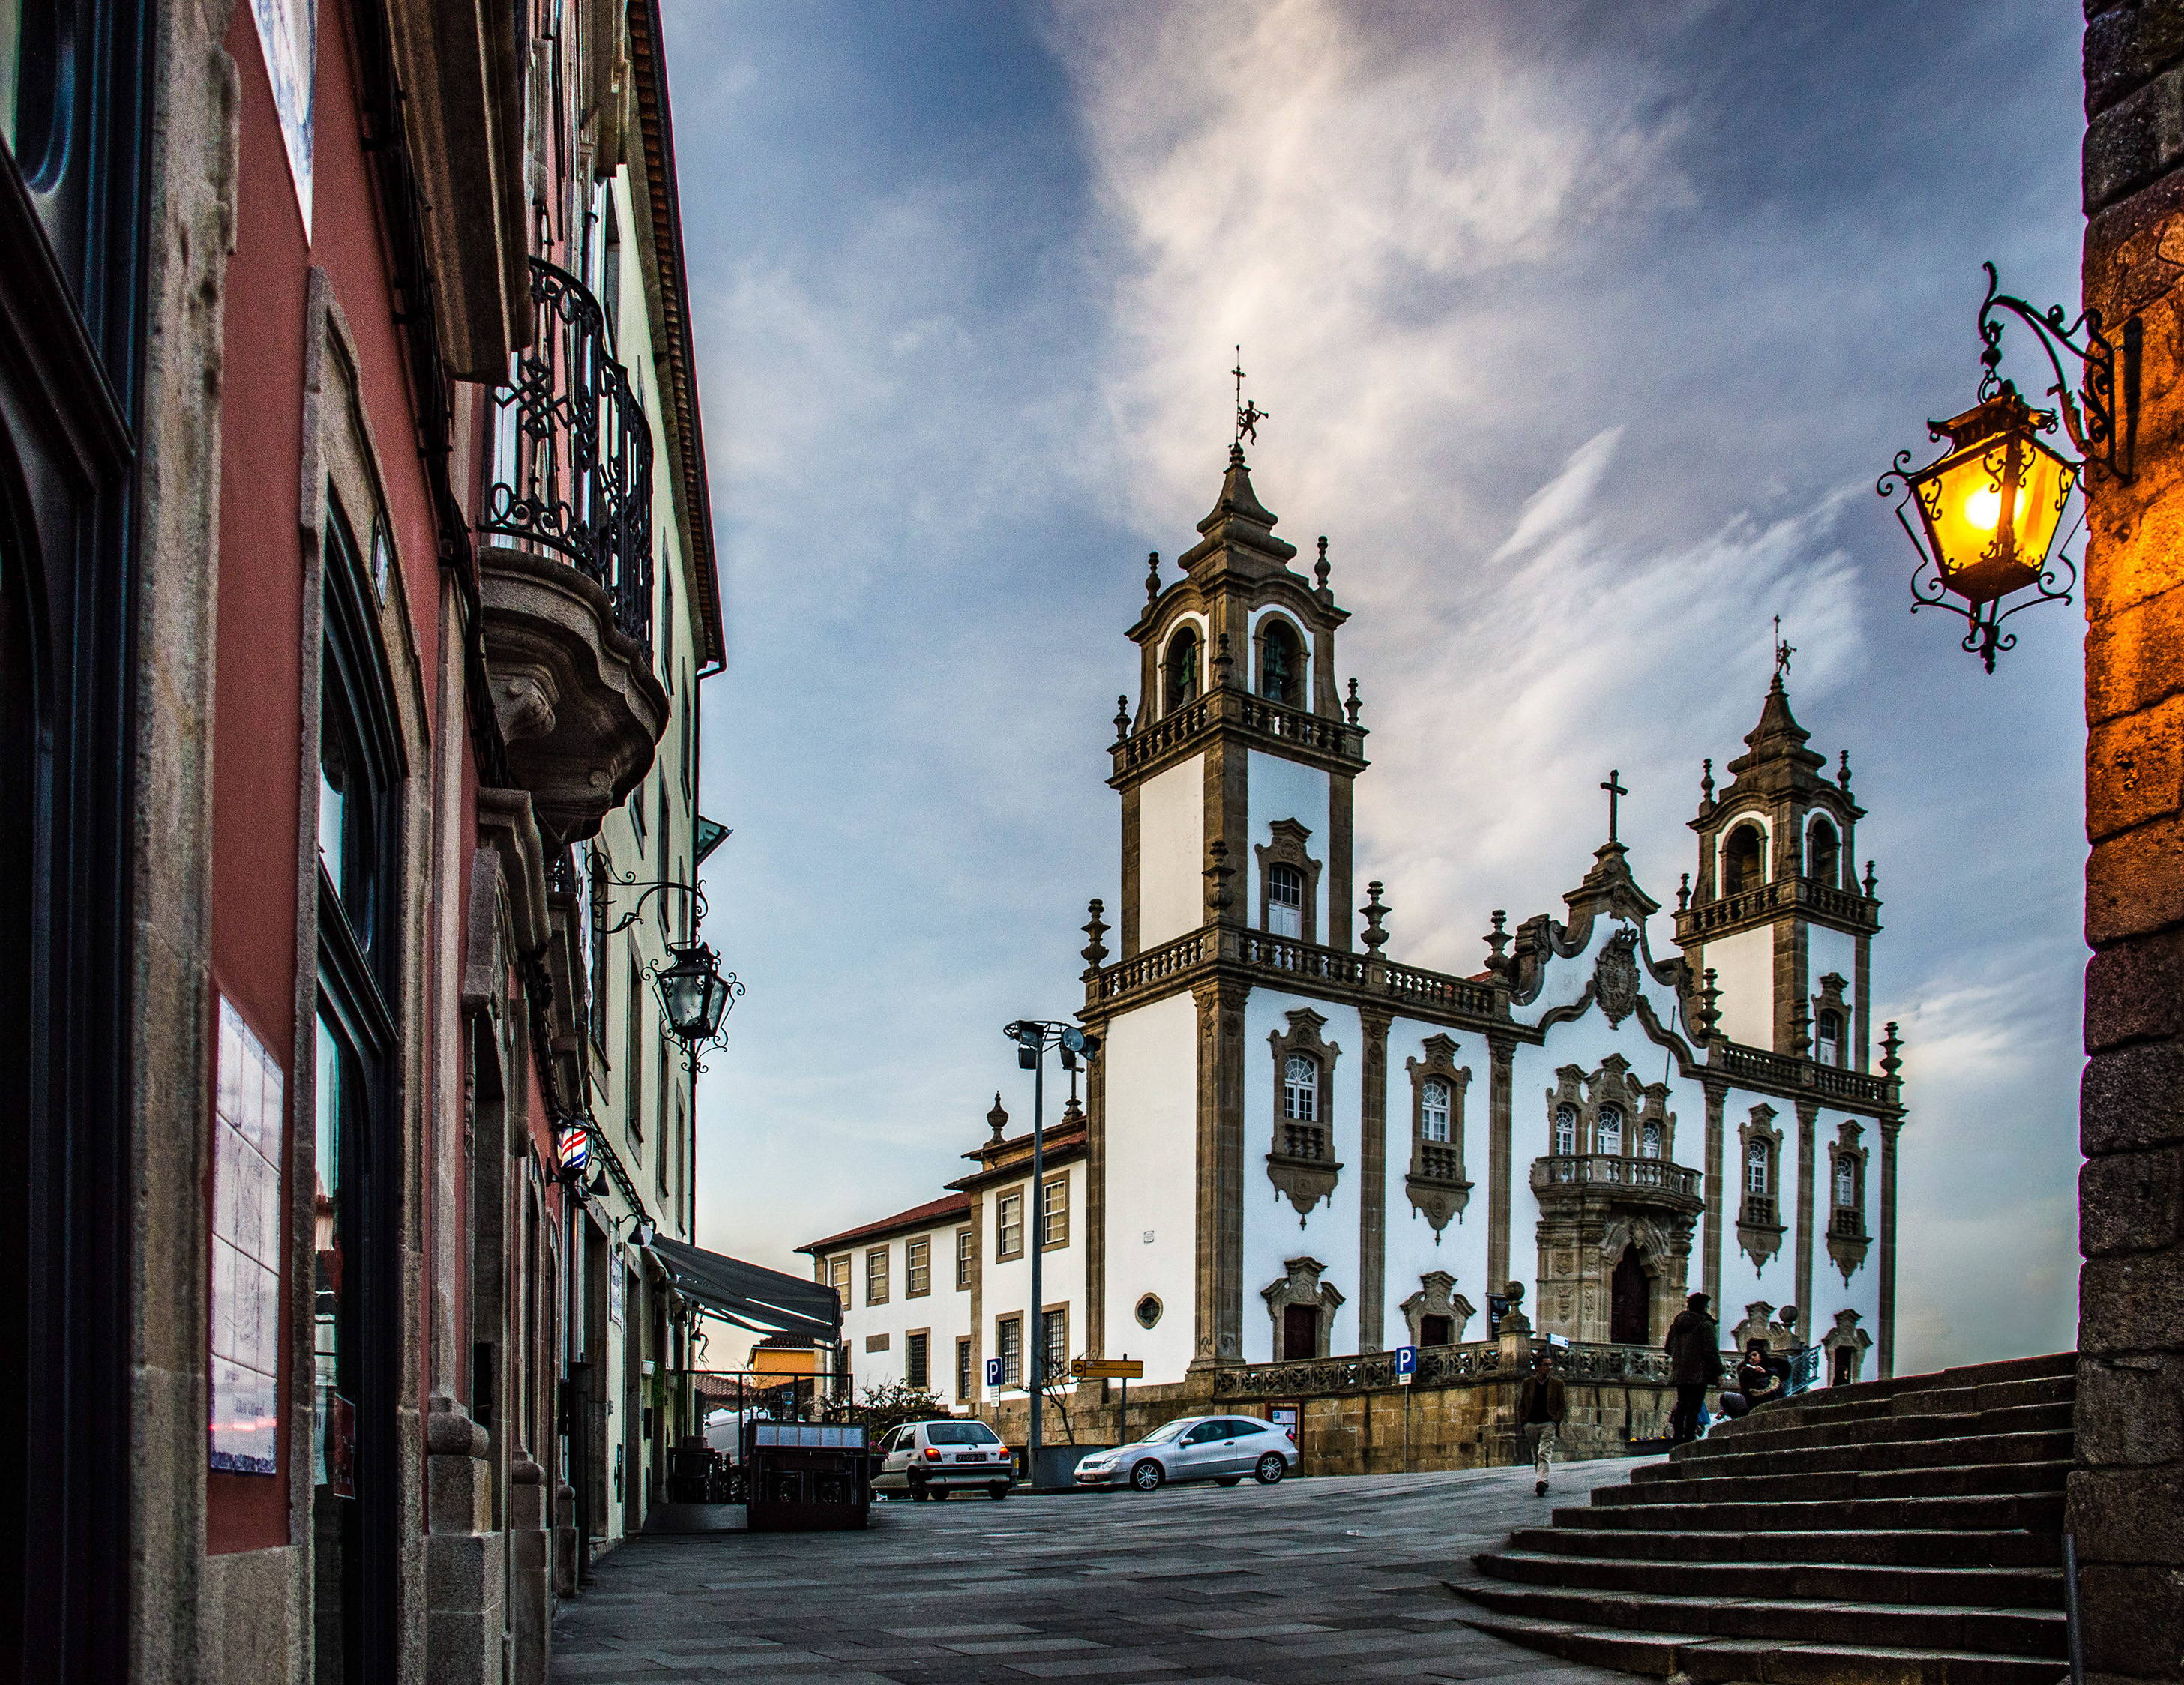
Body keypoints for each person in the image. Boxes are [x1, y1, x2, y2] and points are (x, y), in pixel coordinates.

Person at [1664, 1291, 1721, 1444]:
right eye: (1707, 1306)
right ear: (1703, 1307)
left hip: (1681, 1372)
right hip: (1699, 1373)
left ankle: (1677, 1438)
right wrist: (1719, 1371)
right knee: (1694, 1407)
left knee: (1682, 1405)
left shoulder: (1676, 1326)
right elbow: (1711, 1350)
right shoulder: (1705, 1324)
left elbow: (1668, 1349)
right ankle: (1689, 1438)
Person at [1516, 1346, 1567, 1497]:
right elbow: (1522, 1405)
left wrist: (1555, 1421)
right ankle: (1542, 1478)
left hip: (1548, 1424)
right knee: (1536, 1454)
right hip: (1531, 1424)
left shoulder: (1557, 1384)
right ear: (1537, 1368)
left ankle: (1541, 1481)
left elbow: (1562, 1406)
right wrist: (1524, 1422)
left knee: (1544, 1452)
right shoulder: (1528, 1383)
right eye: (1546, 1365)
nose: (1549, 1368)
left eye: (1550, 1365)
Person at [1717, 1339, 1783, 1421]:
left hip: (1766, 1400)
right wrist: (1725, 1410)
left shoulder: (1770, 1367)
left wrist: (1765, 1371)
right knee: (1725, 1398)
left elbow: (1776, 1376)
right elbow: (1745, 1392)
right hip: (1752, 1401)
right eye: (1750, 1357)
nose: (1752, 1358)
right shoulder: (1748, 1371)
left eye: (1754, 1355)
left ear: (1761, 1355)